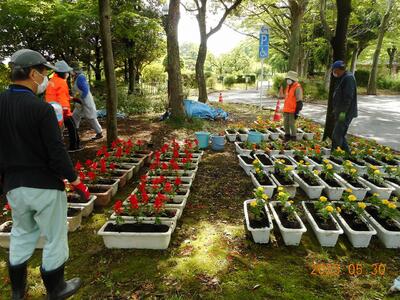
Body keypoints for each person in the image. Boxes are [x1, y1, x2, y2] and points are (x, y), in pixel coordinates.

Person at [0, 49, 90, 299]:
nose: (46, 78)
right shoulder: (42, 110)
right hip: (45, 186)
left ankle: (18, 290)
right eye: (43, 72)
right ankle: (56, 288)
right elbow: (56, 152)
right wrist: (75, 180)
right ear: (31, 73)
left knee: (21, 232)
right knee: (54, 236)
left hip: (14, 186)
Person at [45, 60, 82, 152]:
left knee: (57, 130)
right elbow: (61, 98)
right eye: (66, 72)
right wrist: (66, 111)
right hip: (62, 110)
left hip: (53, 109)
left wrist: (73, 98)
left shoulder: (53, 80)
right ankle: (74, 146)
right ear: (61, 72)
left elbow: (59, 95)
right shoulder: (61, 82)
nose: (67, 74)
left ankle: (55, 148)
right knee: (72, 127)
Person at [331, 60, 358, 153]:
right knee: (339, 133)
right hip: (341, 112)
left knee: (337, 134)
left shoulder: (348, 78)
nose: (333, 72)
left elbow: (348, 98)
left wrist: (341, 114)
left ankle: (337, 153)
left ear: (338, 69)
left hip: (345, 113)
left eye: (334, 70)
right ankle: (347, 154)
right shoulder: (343, 77)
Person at [70, 63, 103, 140]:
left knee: (91, 117)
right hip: (79, 101)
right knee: (75, 115)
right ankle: (75, 130)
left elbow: (85, 90)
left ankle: (99, 132)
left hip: (86, 100)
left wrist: (80, 98)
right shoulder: (75, 77)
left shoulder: (80, 78)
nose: (70, 72)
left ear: (75, 71)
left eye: (71, 71)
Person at [282, 71, 303, 141]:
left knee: (292, 124)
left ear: (293, 80)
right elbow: (287, 98)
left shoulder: (297, 87)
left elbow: (299, 101)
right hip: (286, 109)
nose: (288, 80)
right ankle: (287, 136)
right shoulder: (288, 87)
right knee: (285, 123)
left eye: (289, 79)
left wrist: (297, 111)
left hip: (293, 110)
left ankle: (294, 137)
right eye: (287, 78)